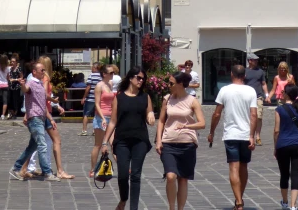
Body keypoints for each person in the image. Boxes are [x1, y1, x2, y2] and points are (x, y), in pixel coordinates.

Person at [101, 66, 154, 210]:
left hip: (140, 141)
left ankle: (134, 208)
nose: (141, 81)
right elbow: (113, 121)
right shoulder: (119, 98)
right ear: (131, 78)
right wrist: (105, 142)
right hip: (122, 141)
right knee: (123, 175)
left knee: (136, 175)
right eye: (139, 77)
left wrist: (151, 116)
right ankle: (124, 199)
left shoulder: (145, 97)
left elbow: (150, 114)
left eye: (143, 79)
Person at [207, 64, 257, 210]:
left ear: (231, 74)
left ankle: (239, 202)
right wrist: (252, 136)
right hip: (245, 134)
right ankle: (239, 198)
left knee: (233, 167)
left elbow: (217, 114)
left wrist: (212, 132)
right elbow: (254, 114)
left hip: (231, 134)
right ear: (245, 76)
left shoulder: (224, 90)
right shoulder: (251, 91)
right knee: (244, 166)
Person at [156, 71, 206, 210]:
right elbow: (161, 121)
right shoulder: (167, 99)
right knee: (171, 176)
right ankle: (172, 207)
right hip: (168, 143)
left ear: (180, 84)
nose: (168, 85)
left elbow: (202, 123)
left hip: (187, 144)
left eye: (171, 83)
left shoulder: (192, 101)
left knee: (183, 179)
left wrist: (187, 126)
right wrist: (158, 141)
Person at [9, 61, 60, 182]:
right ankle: (47, 173)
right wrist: (22, 84)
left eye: (44, 70)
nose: (44, 72)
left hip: (41, 118)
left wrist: (53, 106)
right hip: (35, 119)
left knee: (32, 147)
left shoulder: (41, 84)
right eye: (41, 70)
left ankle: (16, 168)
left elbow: (43, 101)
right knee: (42, 145)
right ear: (34, 72)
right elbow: (26, 89)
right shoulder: (31, 82)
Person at [37, 55, 74, 179]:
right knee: (56, 141)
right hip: (45, 113)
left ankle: (26, 167)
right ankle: (59, 170)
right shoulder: (46, 78)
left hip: (41, 112)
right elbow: (43, 96)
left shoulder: (37, 79)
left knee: (38, 142)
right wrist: (54, 101)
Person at [274, 84, 298, 210]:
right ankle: (294, 206)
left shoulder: (280, 109)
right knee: (295, 175)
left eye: (283, 92)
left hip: (282, 145)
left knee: (284, 174)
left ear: (287, 94)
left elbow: (276, 131)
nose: (282, 93)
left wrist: (275, 147)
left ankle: (285, 202)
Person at [90, 64, 116, 177]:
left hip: (111, 117)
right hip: (101, 117)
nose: (113, 74)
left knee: (114, 143)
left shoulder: (110, 84)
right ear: (104, 74)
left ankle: (124, 167)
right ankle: (92, 169)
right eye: (110, 73)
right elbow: (97, 103)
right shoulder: (99, 86)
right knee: (98, 144)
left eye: (113, 73)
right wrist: (103, 118)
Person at [244, 53, 269, 146]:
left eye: (257, 60)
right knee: (248, 117)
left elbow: (263, 84)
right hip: (246, 97)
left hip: (258, 96)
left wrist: (267, 95)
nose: (257, 61)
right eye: (255, 60)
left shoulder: (260, 72)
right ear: (250, 61)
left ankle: (257, 136)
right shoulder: (244, 71)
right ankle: (249, 135)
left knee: (258, 116)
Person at [80, 62, 101, 136]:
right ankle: (95, 130)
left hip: (90, 98)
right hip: (99, 98)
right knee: (97, 114)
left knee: (86, 114)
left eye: (92, 67)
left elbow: (88, 87)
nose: (91, 68)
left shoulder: (91, 75)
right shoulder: (102, 76)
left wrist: (84, 97)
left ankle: (84, 130)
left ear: (95, 68)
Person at [7, 54, 23, 119]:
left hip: (16, 87)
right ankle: (11, 112)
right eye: (11, 61)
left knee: (16, 100)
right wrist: (12, 79)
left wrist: (15, 80)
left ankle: (15, 113)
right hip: (11, 86)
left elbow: (21, 77)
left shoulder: (18, 69)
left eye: (13, 61)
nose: (12, 63)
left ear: (16, 62)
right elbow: (8, 77)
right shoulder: (9, 69)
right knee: (10, 100)